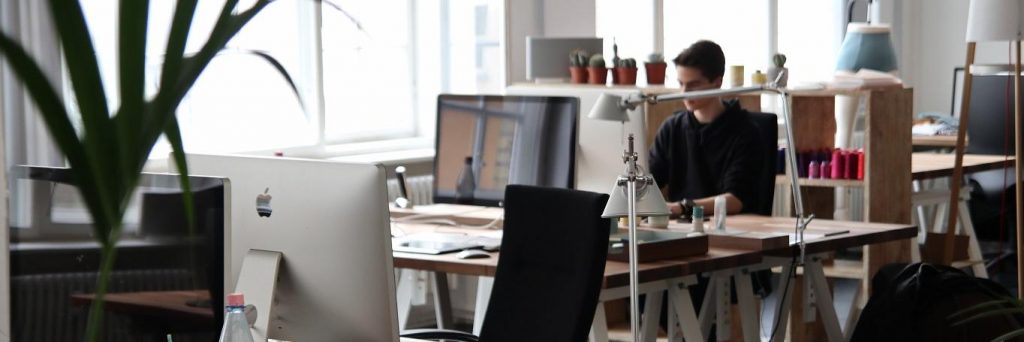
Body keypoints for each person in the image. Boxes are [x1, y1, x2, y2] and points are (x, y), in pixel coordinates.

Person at [648, 40, 764, 218]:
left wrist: (682, 208)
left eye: (693, 85)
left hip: (730, 231)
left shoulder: (746, 132)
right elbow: (648, 181)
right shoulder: (671, 128)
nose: (684, 92)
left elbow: (735, 199)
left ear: (717, 82)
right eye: (680, 83)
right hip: (679, 230)